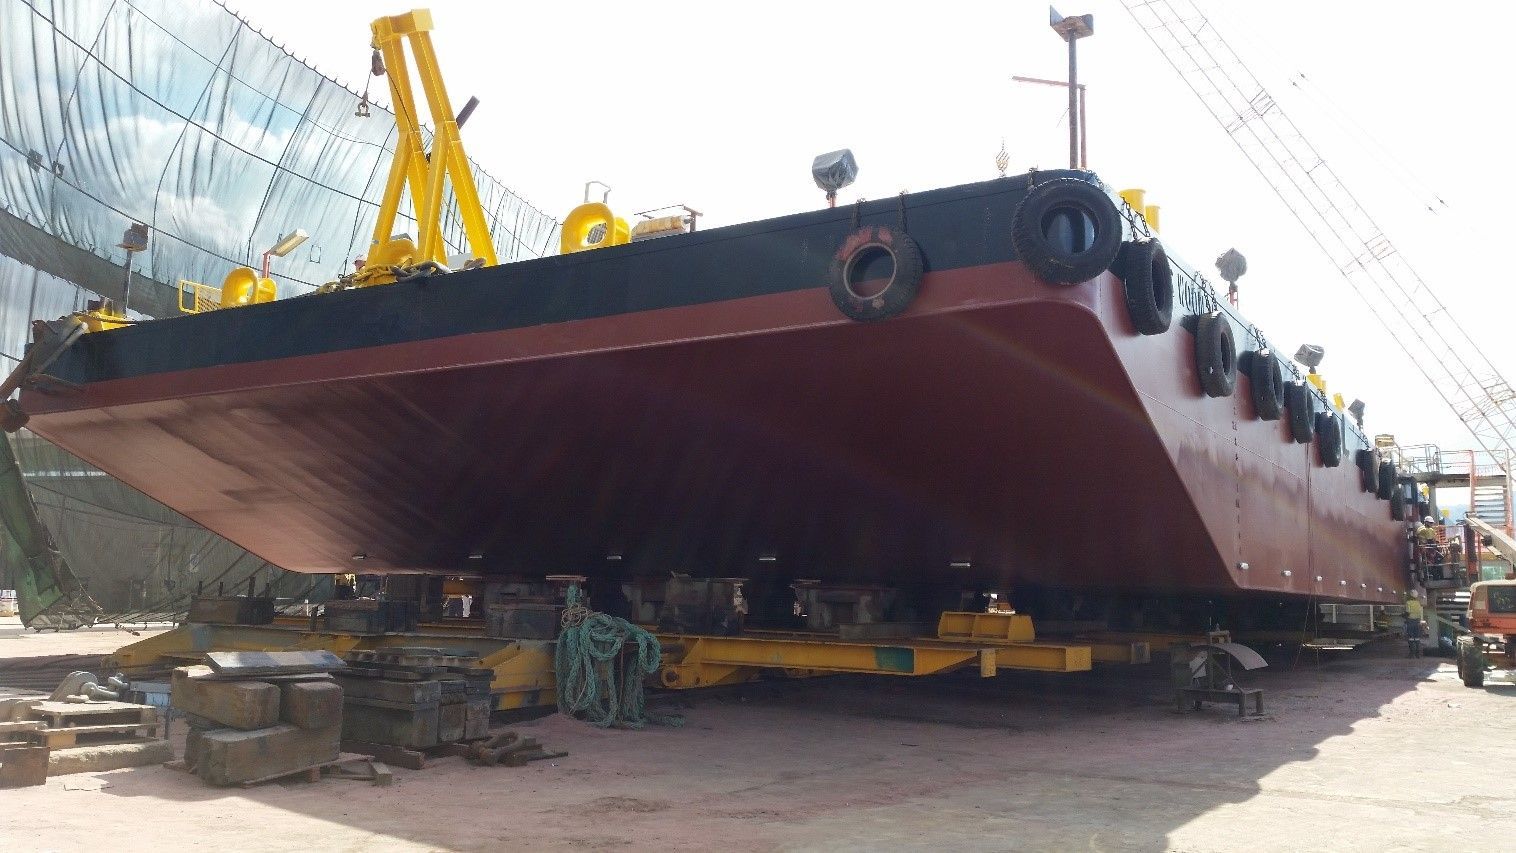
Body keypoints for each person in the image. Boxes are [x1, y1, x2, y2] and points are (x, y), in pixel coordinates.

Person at [1404, 590, 1425, 658]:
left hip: (1410, 621)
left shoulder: (1408, 602)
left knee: (1410, 638)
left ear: (1410, 595)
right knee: (1417, 638)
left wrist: (1402, 615)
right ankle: (1417, 654)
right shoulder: (1418, 603)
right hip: (1417, 621)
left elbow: (1407, 613)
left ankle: (1411, 654)